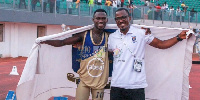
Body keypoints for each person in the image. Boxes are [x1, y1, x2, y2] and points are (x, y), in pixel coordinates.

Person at [108, 8, 190, 100]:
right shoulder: (112, 37)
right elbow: (108, 53)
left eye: (123, 17)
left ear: (129, 18)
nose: (121, 20)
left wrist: (178, 37)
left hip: (136, 86)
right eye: (118, 18)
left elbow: (161, 44)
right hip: (117, 85)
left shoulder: (141, 33)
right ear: (115, 21)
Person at [41, 9, 109, 100]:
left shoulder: (110, 37)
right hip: (84, 81)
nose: (101, 21)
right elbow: (62, 42)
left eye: (103, 18)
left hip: (99, 83)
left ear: (107, 20)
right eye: (98, 18)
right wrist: (44, 41)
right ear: (93, 19)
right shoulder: (84, 35)